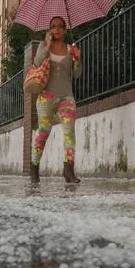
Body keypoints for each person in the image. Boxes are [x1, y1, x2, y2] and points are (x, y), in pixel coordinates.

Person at [30, 16, 82, 184]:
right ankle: (34, 170)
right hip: (46, 97)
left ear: (65, 30)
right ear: (49, 30)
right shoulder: (43, 46)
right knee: (43, 132)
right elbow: (37, 64)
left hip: (66, 97)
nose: (57, 29)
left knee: (69, 134)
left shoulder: (70, 49)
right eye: (53, 26)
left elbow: (77, 75)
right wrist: (46, 45)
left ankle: (69, 171)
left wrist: (77, 60)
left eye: (60, 26)